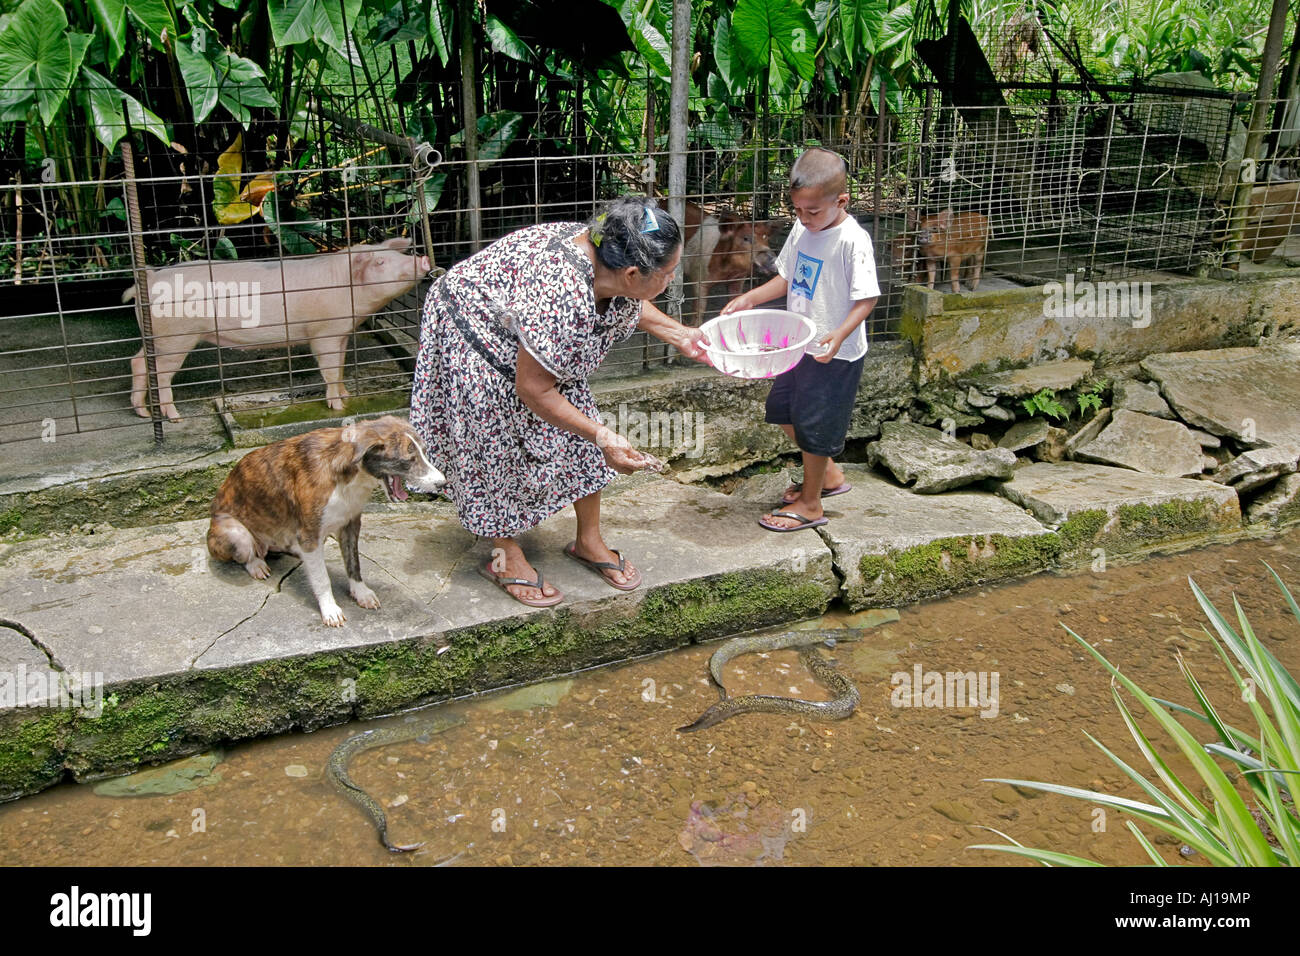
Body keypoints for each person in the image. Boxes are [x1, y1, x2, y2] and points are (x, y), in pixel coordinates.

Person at [409, 196, 709, 605]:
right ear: (634, 273)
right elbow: (534, 389)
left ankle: (588, 540)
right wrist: (604, 436)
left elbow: (628, 301)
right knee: (495, 437)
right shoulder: (563, 293)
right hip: (473, 321)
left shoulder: (612, 248)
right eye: (669, 273)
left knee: (581, 421)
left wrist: (681, 335)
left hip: (528, 319)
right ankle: (504, 552)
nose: (672, 280)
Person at [721, 148, 880, 532]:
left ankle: (811, 505)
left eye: (813, 212)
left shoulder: (852, 241)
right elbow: (788, 276)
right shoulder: (802, 229)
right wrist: (750, 297)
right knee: (780, 409)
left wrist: (840, 335)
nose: (805, 219)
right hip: (798, 344)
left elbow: (867, 297)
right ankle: (829, 476)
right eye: (798, 211)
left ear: (841, 201)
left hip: (832, 353)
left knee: (815, 425)